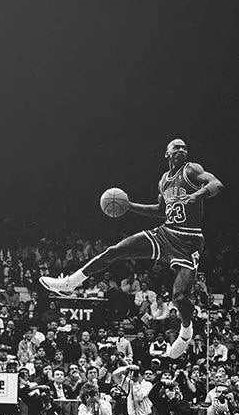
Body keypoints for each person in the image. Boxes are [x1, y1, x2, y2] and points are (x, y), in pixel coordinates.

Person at [40, 139, 223, 359]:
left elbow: (216, 184)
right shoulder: (164, 181)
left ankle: (186, 332)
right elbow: (161, 211)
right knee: (115, 251)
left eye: (184, 147)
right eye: (176, 147)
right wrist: (129, 206)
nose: (182, 150)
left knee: (179, 298)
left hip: (189, 239)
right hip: (165, 233)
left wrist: (197, 195)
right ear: (166, 153)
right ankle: (70, 282)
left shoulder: (191, 170)